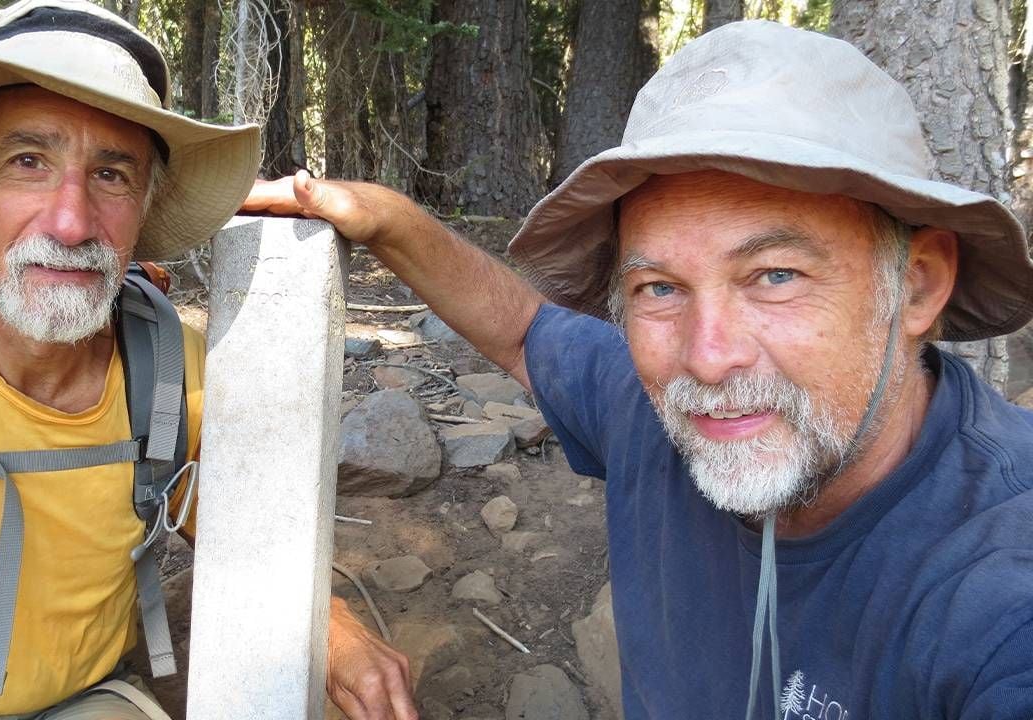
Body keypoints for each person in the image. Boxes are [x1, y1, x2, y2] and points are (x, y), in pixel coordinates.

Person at [246, 20, 1033, 719]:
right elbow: (522, 330)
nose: (707, 356)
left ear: (919, 284)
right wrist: (388, 218)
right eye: (659, 287)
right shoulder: (650, 408)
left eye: (777, 276)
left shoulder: (999, 588)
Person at [0, 1, 415, 718]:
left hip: (86, 702)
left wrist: (335, 629)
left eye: (111, 174)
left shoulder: (173, 372)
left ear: (146, 198)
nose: (71, 223)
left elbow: (238, 523)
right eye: (26, 161)